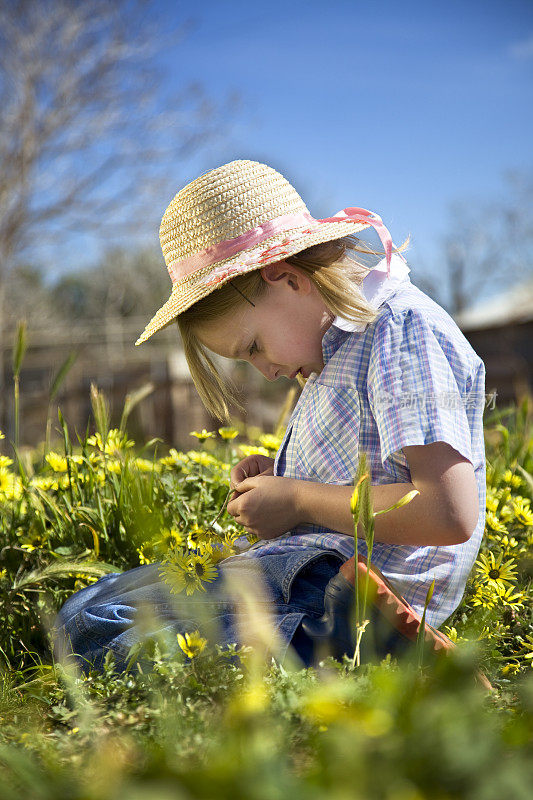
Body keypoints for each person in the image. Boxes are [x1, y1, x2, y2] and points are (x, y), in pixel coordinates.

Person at [54, 159, 486, 673]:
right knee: (84, 614)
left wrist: (300, 498)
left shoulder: (401, 331)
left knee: (102, 635)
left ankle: (369, 644)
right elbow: (363, 471)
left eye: (254, 346)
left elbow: (449, 510)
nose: (265, 372)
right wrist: (281, 485)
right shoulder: (329, 350)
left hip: (331, 584)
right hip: (297, 571)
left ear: (286, 278)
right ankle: (317, 649)